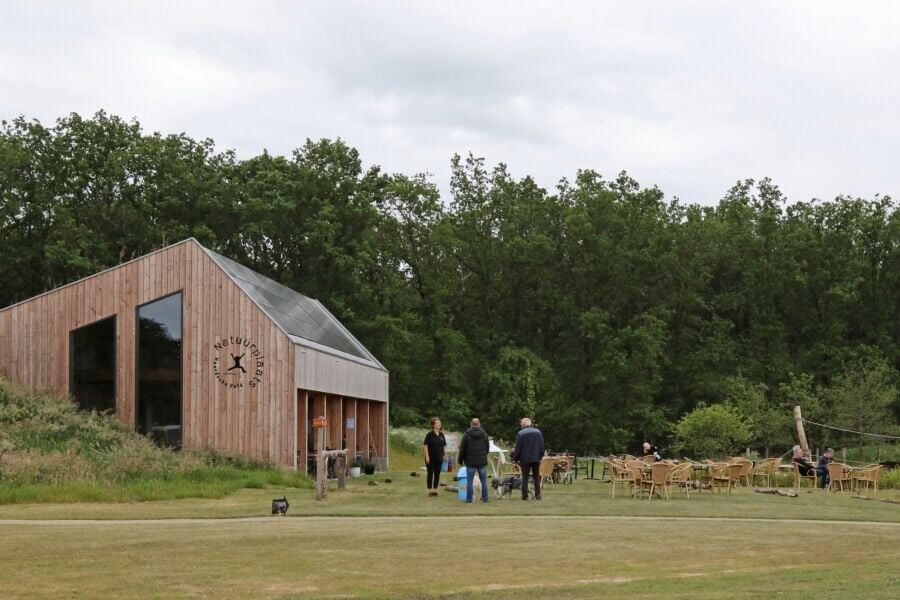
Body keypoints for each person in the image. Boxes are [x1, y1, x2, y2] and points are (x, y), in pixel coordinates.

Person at [457, 418, 490, 503]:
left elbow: (462, 449)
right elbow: (487, 448)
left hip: (470, 462)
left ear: (471, 424)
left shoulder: (466, 435)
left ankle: (469, 500)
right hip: (482, 461)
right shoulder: (484, 434)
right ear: (479, 424)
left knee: (469, 481)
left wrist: (460, 460)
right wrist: (484, 455)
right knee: (484, 481)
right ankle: (485, 499)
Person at [512, 417, 545, 500]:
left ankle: (524, 496)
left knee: (525, 477)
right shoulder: (538, 432)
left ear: (523, 425)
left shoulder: (520, 433)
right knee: (536, 476)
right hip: (536, 458)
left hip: (525, 459)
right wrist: (541, 456)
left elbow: (518, 448)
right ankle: (538, 495)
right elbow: (541, 446)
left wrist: (515, 459)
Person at [422, 417, 446, 497]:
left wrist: (444, 455)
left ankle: (435, 490)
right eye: (437, 423)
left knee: (437, 474)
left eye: (440, 423)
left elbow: (443, 446)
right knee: (430, 474)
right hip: (430, 458)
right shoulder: (429, 435)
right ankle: (430, 490)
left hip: (439, 458)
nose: (439, 424)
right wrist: (427, 456)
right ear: (433, 425)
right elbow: (425, 446)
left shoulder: (442, 435)